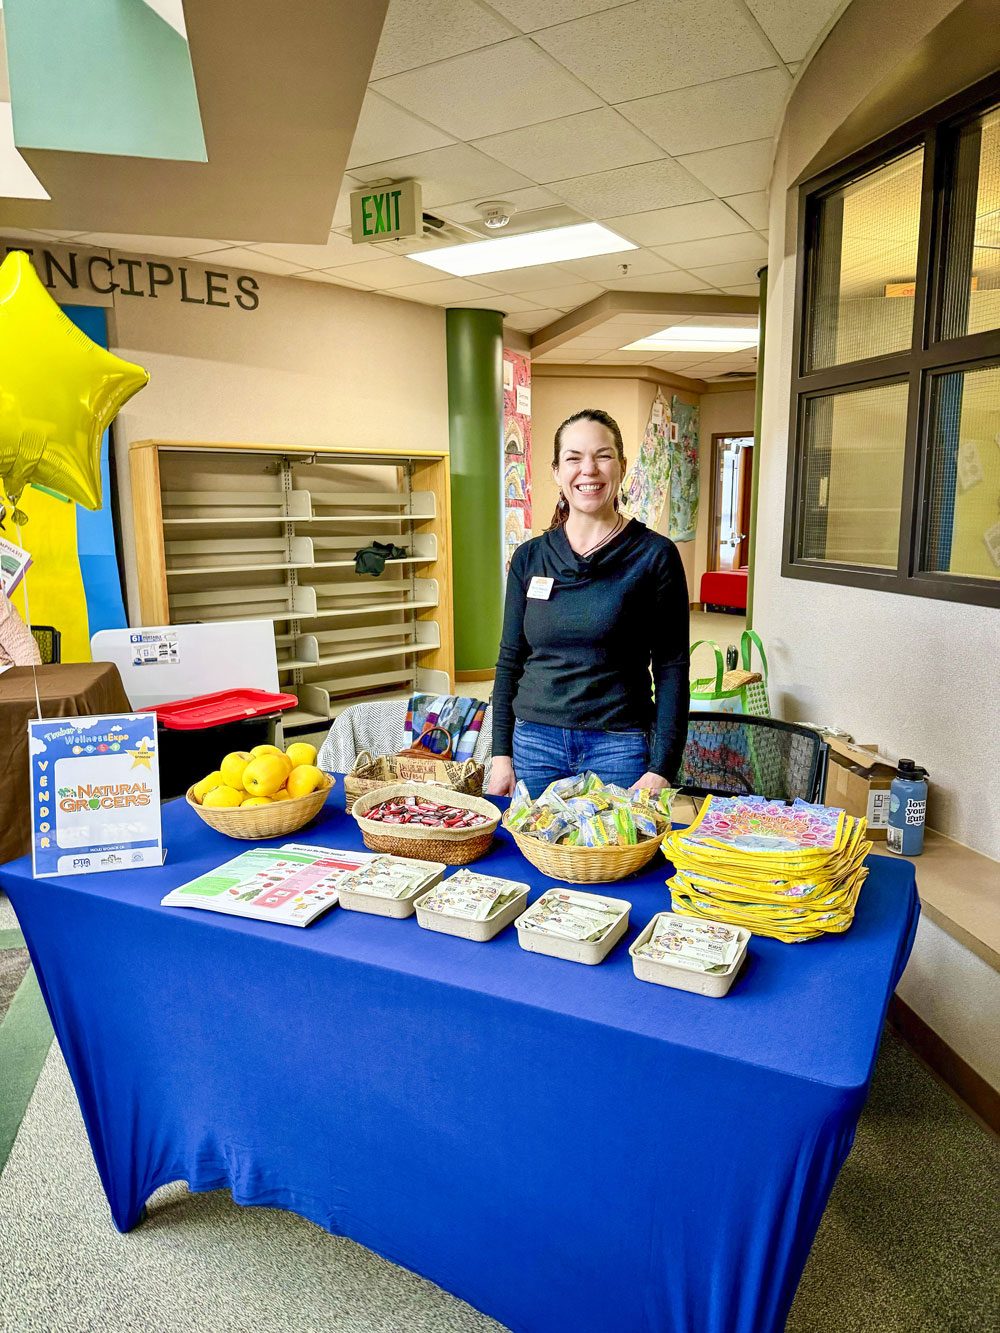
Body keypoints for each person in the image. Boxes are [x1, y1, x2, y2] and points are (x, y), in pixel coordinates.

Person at [488, 408, 689, 799]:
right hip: (535, 744)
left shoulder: (654, 556)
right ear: (557, 471)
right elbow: (510, 658)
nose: (589, 470)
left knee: (615, 859)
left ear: (622, 466)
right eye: (574, 458)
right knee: (534, 855)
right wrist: (501, 756)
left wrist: (662, 767)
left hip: (619, 745)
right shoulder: (530, 558)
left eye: (603, 455)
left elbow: (671, 667)